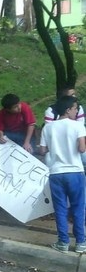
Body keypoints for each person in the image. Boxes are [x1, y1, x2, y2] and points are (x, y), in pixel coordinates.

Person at [39, 94, 86, 253]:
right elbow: (81, 149)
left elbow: (43, 150)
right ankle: (80, 242)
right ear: (67, 110)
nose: (77, 111)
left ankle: (63, 242)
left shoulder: (48, 127)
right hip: (75, 172)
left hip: (56, 173)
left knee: (60, 208)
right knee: (78, 207)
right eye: (75, 108)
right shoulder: (78, 126)